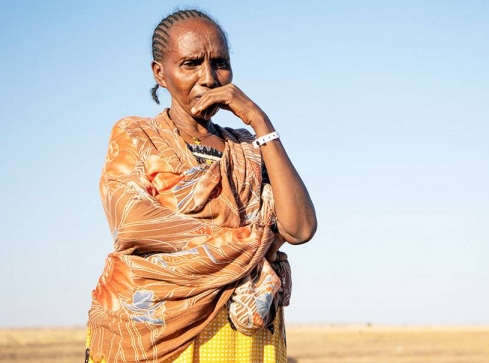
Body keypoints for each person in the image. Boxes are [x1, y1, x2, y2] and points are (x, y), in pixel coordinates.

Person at [85, 9, 317, 363]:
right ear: (159, 73)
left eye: (220, 63)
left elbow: (300, 228)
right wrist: (255, 239)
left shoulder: (250, 149)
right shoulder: (136, 135)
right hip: (155, 335)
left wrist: (258, 119)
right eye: (190, 63)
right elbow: (133, 222)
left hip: (244, 336)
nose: (209, 78)